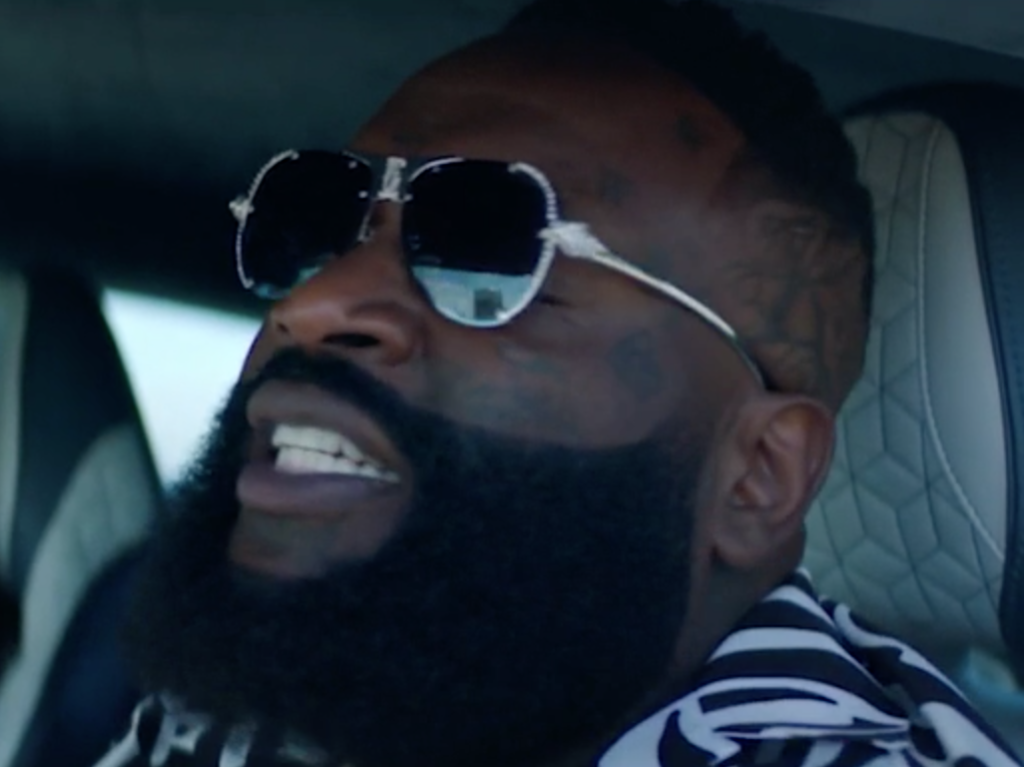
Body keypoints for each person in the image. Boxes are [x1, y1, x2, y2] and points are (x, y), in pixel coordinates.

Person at [95, 1, 1021, 765]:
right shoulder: (231, 724)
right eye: (320, 218)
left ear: (757, 475)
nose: (316, 302)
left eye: (488, 247)